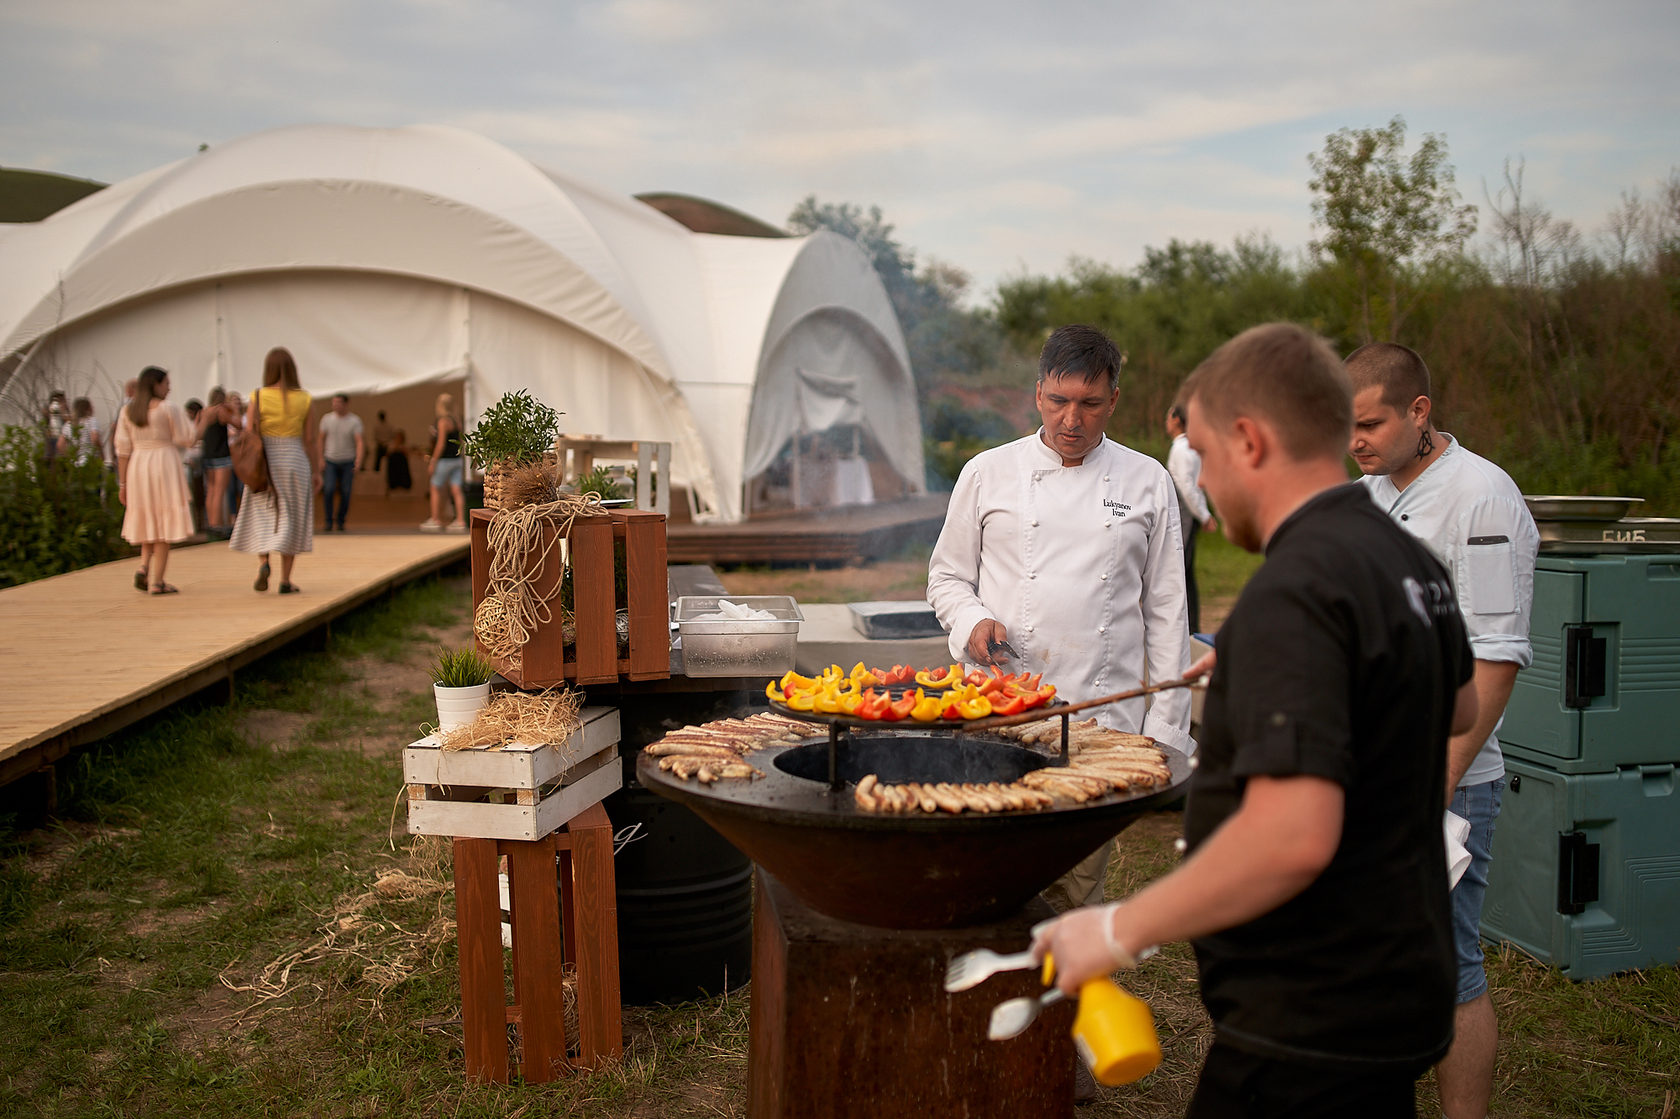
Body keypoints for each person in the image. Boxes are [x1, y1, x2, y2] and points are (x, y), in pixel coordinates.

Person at [1034, 323, 1479, 1117]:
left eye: (1201, 454)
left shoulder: (1297, 586)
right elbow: (1457, 703)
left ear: (1248, 439)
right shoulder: (1400, 554)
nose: (1199, 480)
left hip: (1306, 1019)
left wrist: (1113, 930)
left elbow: (1290, 837)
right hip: (1396, 987)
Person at [927, 324, 1193, 914]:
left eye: (1090, 404)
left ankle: (1059, 999)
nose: (1072, 419)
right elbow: (946, 577)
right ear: (1037, 392)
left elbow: (1169, 610)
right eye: (1059, 400)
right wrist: (971, 618)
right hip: (997, 706)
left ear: (1114, 401)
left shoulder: (1149, 479)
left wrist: (1168, 726)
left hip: (1099, 714)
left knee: (1073, 881)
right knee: (990, 872)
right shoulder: (986, 472)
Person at [1346, 342, 1539, 1119]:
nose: (1354, 441)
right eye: (1345, 425)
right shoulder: (1367, 494)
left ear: (1419, 411)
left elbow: (1496, 661)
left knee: (1450, 966)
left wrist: (1442, 779)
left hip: (1444, 778)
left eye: (1369, 423)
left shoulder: (1482, 498)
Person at [113, 367, 213, 594]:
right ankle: (157, 581)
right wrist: (203, 422)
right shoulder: (168, 409)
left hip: (138, 466)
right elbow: (187, 439)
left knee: (148, 517)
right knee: (163, 522)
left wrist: (123, 483)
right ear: (155, 385)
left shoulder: (128, 411)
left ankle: (144, 566)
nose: (169, 387)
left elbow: (122, 449)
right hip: (164, 463)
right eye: (166, 383)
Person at [230, 347, 320, 594]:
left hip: (264, 461)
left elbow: (249, 434)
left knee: (262, 513)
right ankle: (286, 581)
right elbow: (311, 439)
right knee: (293, 516)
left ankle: (264, 563)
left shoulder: (257, 396)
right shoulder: (305, 399)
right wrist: (317, 469)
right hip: (294, 459)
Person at [1166, 403, 1218, 634]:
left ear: (1177, 420)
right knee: (1185, 575)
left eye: (1169, 415)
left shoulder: (1182, 449)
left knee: (1180, 573)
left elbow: (1189, 487)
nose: (1166, 420)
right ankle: (1190, 625)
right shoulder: (1185, 447)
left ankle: (1188, 628)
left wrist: (1204, 515)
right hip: (1187, 516)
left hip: (1185, 518)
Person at [317, 393, 365, 532]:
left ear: (346, 404)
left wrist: (358, 460)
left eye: (338, 402)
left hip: (347, 460)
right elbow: (321, 439)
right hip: (330, 459)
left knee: (346, 491)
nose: (335, 405)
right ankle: (328, 520)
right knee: (329, 489)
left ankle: (340, 519)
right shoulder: (327, 419)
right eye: (334, 403)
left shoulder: (354, 421)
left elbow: (359, 441)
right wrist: (320, 458)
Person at [420, 392, 466, 533]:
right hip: (457, 460)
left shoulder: (442, 421)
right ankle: (460, 520)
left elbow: (440, 444)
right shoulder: (457, 421)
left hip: (444, 460)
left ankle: (435, 519)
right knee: (456, 489)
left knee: (435, 488)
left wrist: (433, 461)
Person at [200, 387, 236, 540]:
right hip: (221, 455)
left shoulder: (205, 411)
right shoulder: (221, 411)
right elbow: (238, 424)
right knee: (220, 492)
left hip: (208, 454)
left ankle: (212, 523)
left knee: (211, 491)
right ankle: (217, 525)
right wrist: (233, 409)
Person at [385, 428, 413, 492]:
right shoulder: (391, 444)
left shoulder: (405, 445)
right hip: (393, 465)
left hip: (402, 465)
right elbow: (388, 453)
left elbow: (408, 453)